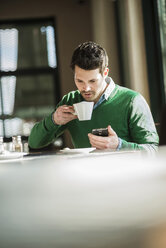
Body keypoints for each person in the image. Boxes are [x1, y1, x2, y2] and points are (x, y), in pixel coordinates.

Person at [28, 41, 159, 152]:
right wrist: (54, 120)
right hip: (86, 180)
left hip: (125, 179)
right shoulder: (70, 101)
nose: (86, 88)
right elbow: (34, 143)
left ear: (105, 73)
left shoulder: (132, 101)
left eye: (92, 81)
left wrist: (120, 145)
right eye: (79, 81)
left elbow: (153, 151)